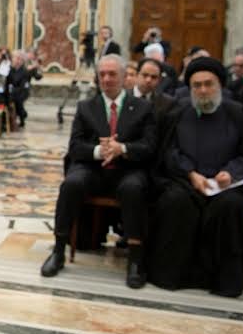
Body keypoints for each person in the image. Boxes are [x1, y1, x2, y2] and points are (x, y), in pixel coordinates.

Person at [41, 55, 156, 288]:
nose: (106, 79)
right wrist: (99, 151)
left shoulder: (143, 108)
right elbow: (75, 147)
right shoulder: (86, 107)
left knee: (134, 189)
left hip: (126, 170)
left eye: (112, 74)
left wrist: (122, 149)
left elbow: (149, 146)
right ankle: (59, 250)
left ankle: (135, 259)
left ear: (124, 76)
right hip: (93, 169)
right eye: (102, 74)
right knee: (71, 184)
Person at [149, 57, 243, 297]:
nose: (203, 90)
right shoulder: (178, 112)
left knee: (231, 206)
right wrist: (190, 173)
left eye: (209, 84)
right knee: (174, 201)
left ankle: (223, 281)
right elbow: (169, 152)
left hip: (225, 187)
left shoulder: (237, 113)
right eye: (197, 85)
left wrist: (230, 173)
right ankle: (173, 275)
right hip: (186, 182)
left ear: (220, 85)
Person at [133, 58, 175, 124]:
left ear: (160, 80)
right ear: (137, 75)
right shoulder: (122, 96)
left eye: (154, 77)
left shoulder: (166, 103)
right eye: (145, 75)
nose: (148, 80)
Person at [8, 50, 42, 129]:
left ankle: (21, 116)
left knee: (17, 99)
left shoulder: (25, 70)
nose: (17, 60)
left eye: (19, 58)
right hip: (11, 91)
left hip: (22, 91)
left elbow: (36, 77)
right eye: (15, 58)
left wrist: (37, 68)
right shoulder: (9, 69)